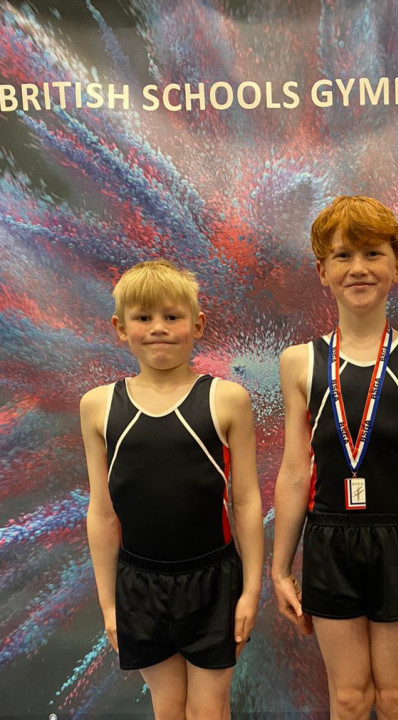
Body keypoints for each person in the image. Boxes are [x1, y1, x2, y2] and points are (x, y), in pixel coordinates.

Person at [272, 196, 398, 720]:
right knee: (349, 697)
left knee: (395, 696)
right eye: (343, 256)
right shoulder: (299, 362)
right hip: (329, 539)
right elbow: (293, 470)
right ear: (322, 271)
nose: (358, 268)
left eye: (372, 254)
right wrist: (281, 566)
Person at [80, 260, 263, 720]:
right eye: (143, 318)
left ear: (196, 324)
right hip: (139, 585)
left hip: (214, 581)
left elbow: (244, 501)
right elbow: (103, 514)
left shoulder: (226, 399)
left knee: (207, 709)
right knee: (168, 708)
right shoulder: (98, 406)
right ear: (121, 328)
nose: (158, 329)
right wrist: (108, 602)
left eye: (171, 317)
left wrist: (250, 590)